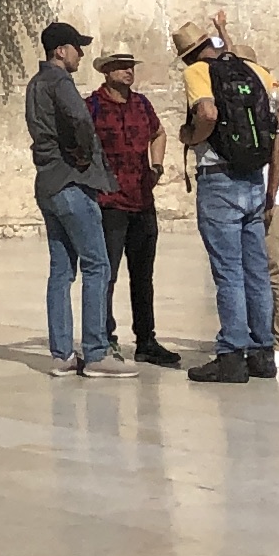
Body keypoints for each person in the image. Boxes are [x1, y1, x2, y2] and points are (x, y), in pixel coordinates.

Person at [176, 16, 279, 384]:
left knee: (228, 271)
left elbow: (208, 112)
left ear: (188, 55)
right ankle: (262, 353)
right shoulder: (253, 70)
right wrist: (260, 132)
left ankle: (231, 354)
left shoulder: (197, 72)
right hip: (252, 179)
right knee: (256, 270)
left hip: (219, 180)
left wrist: (193, 137)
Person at [25, 22, 120, 376]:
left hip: (48, 184)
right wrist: (82, 154)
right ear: (60, 51)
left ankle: (62, 354)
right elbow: (80, 118)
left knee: (61, 271)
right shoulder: (60, 81)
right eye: (76, 48)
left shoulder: (35, 84)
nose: (80, 54)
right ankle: (96, 353)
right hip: (70, 183)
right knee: (97, 265)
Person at [90, 48, 178, 366]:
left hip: (142, 201)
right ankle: (104, 338)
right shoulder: (93, 106)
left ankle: (146, 340)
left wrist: (157, 166)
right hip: (110, 203)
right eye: (121, 66)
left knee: (143, 276)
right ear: (106, 71)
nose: (128, 71)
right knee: (107, 275)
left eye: (130, 66)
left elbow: (159, 133)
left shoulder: (142, 104)